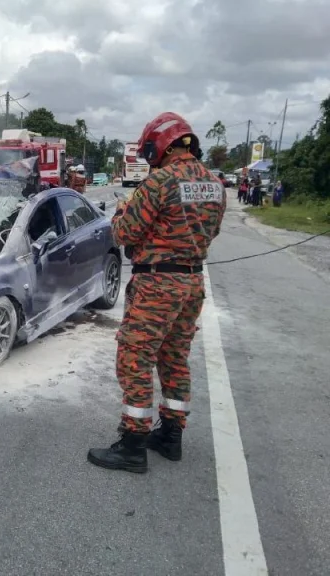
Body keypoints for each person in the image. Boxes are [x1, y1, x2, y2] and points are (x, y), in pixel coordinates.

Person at [87, 112, 226, 474]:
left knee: (135, 358)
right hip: (192, 283)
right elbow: (211, 232)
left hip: (157, 285)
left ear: (160, 145)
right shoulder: (215, 184)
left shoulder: (159, 182)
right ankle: (170, 435)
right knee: (174, 357)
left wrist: (121, 212)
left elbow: (124, 234)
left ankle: (133, 444)